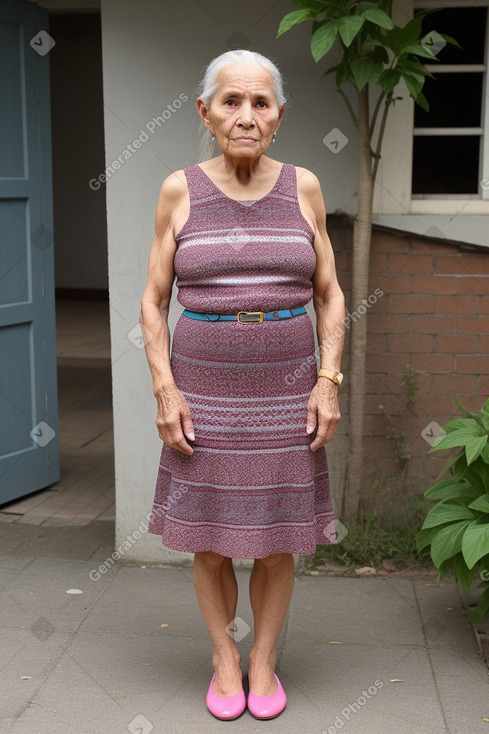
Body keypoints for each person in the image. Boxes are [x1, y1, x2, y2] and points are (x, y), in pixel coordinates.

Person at [140, 49, 346, 721]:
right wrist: (165, 391)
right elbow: (153, 300)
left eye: (261, 103)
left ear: (279, 116)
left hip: (287, 391)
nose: (246, 115)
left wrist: (327, 380)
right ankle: (224, 658)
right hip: (204, 390)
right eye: (230, 101)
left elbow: (330, 295)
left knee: (278, 539)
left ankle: (263, 660)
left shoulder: (304, 188)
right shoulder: (178, 190)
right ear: (204, 112)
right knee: (208, 539)